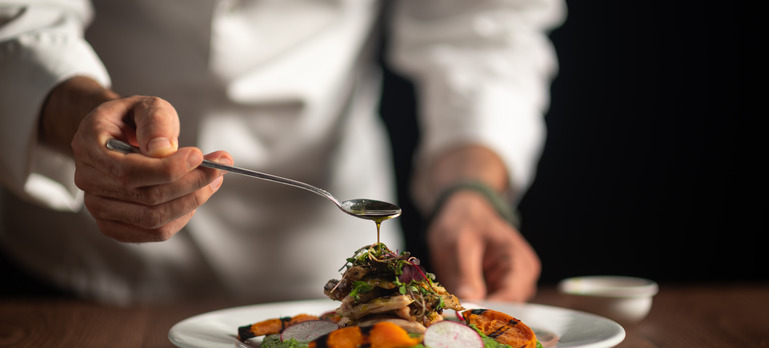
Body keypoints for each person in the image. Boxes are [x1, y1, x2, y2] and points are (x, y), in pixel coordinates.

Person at [0, 0, 565, 305]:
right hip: (79, 264)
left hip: (312, 256)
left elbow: (480, 33)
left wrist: (471, 191)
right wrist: (80, 114)